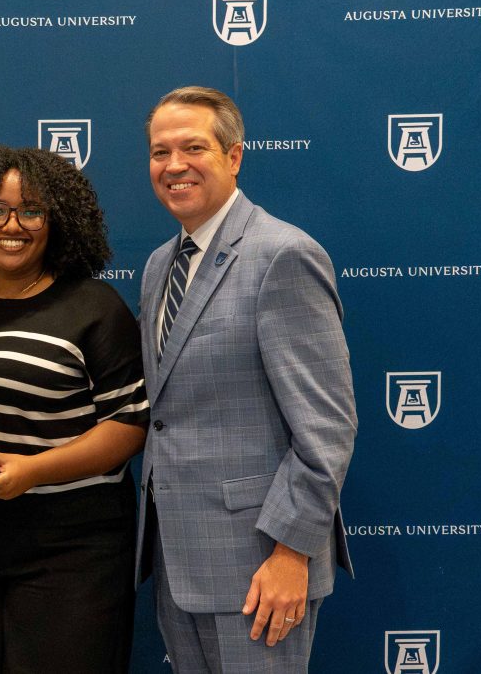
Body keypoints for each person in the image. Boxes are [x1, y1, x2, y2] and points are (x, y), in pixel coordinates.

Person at [136, 86, 357, 673]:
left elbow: (327, 428)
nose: (174, 165)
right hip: (179, 561)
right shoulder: (161, 265)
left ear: (234, 156)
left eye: (193, 148)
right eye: (160, 152)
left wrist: (293, 551)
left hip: (262, 566)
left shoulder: (282, 255)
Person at [0, 145, 149, 673]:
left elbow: (129, 426)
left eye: (30, 210)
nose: (10, 225)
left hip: (66, 552)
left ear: (55, 220)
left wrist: (32, 471)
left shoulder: (94, 308)